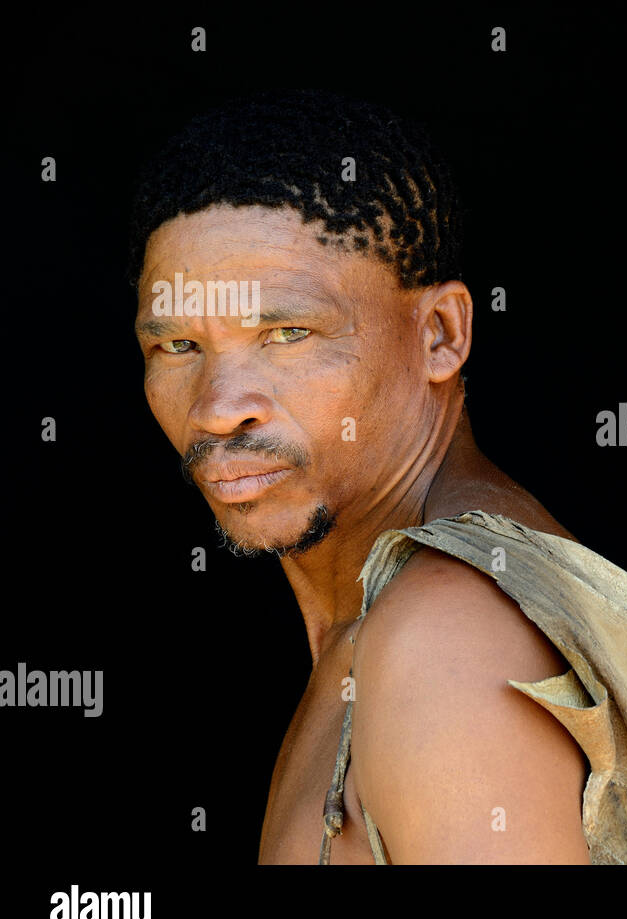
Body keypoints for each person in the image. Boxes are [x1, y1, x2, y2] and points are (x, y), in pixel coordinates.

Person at [128, 89, 592, 864]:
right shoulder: (385, 617)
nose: (217, 409)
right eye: (177, 346)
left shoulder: (446, 635)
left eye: (286, 333)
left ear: (439, 336)